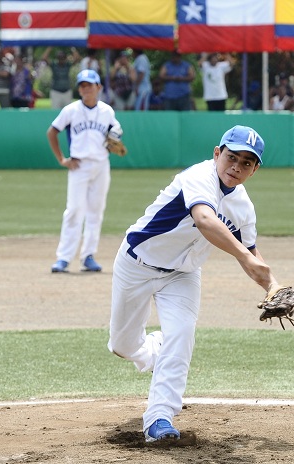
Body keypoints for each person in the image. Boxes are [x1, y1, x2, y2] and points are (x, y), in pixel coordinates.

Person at [108, 125, 283, 443]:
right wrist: (244, 257)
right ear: (217, 153)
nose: (236, 167)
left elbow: (253, 254)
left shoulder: (243, 208)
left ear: (255, 170)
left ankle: (159, 418)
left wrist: (273, 286)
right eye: (231, 157)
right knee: (122, 346)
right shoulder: (198, 176)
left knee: (182, 334)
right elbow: (205, 220)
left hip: (183, 274)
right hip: (137, 263)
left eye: (246, 163)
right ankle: (155, 348)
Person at [46, 69, 122, 273]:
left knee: (95, 211)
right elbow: (52, 132)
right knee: (74, 210)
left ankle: (88, 255)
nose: (86, 89)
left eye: (90, 85)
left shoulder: (107, 111)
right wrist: (62, 159)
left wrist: (115, 135)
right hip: (78, 165)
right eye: (82, 85)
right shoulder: (71, 110)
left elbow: (116, 131)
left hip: (101, 165)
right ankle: (63, 258)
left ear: (99, 87)